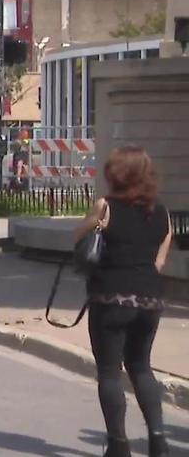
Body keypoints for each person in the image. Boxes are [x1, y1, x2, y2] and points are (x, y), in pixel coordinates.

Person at [75, 145, 172, 457]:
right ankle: (158, 440)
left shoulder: (105, 206)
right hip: (149, 299)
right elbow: (159, 261)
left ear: (114, 174)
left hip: (110, 296)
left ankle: (118, 444)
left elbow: (79, 239)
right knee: (141, 366)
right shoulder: (160, 211)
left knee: (109, 370)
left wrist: (95, 225)